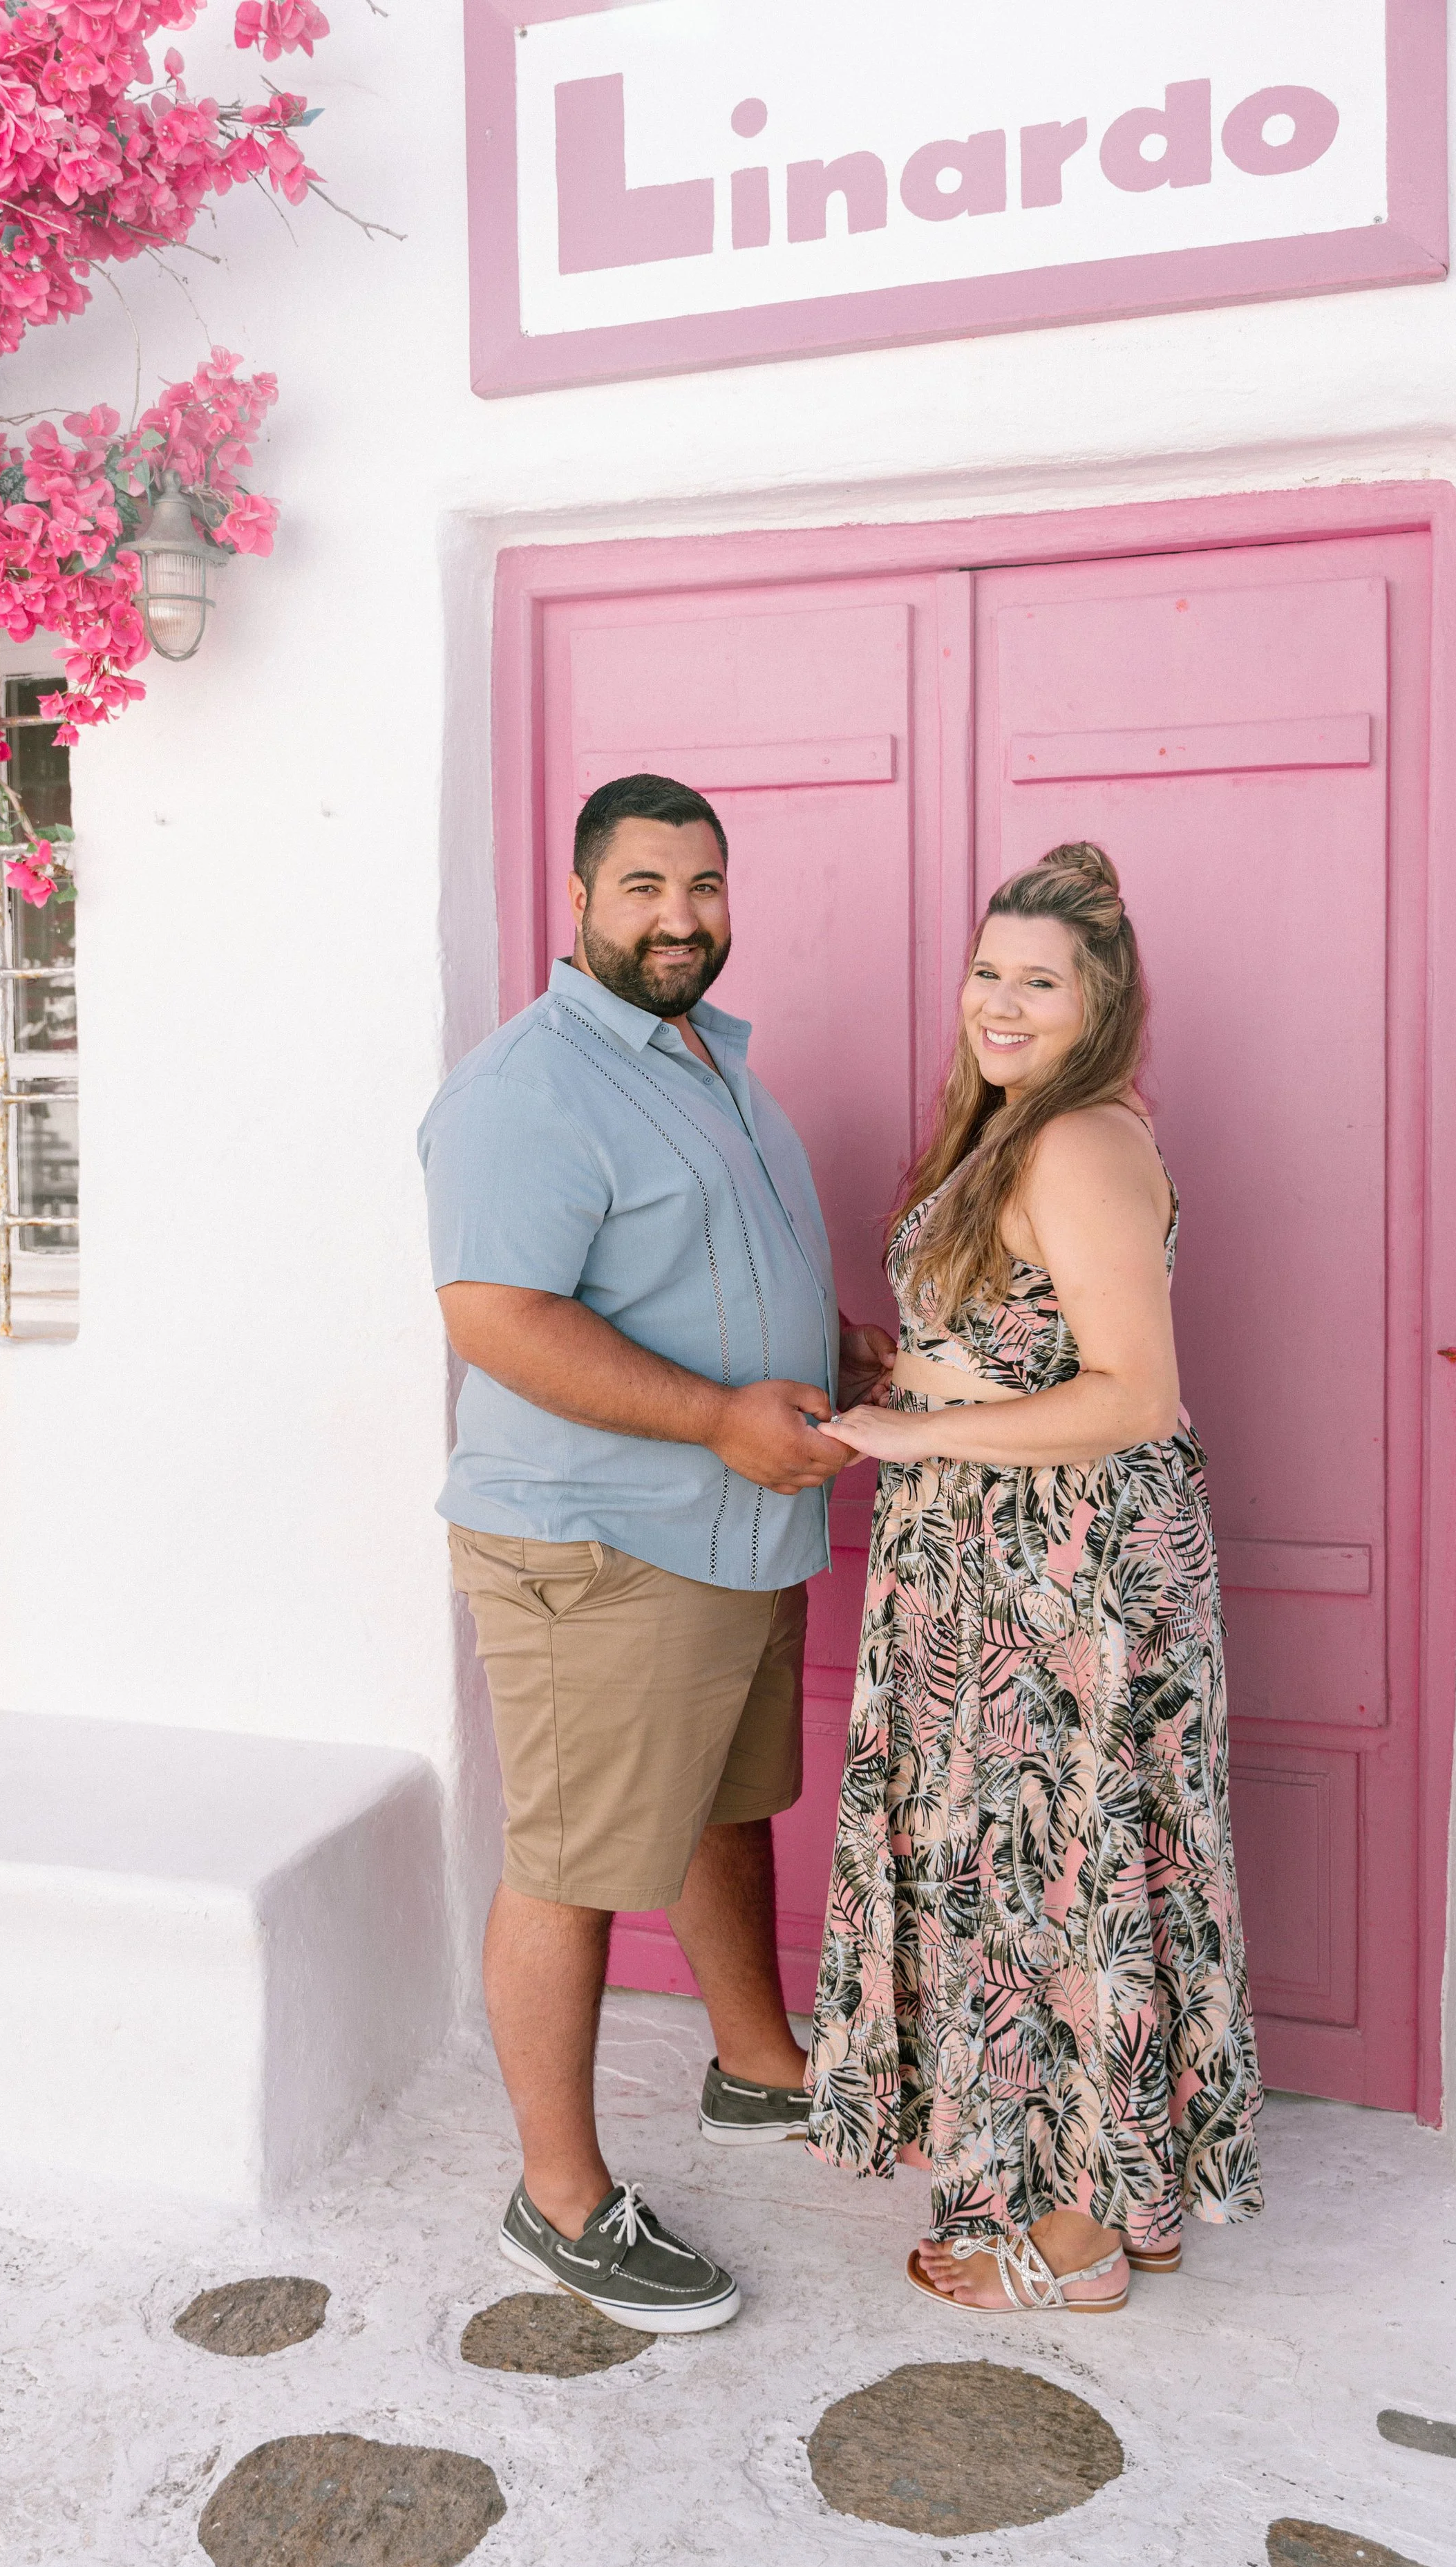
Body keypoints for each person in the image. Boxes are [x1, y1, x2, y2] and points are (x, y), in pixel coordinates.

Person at [418, 773, 896, 2334]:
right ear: (577, 901)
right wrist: (712, 1417)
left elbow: (693, 1267)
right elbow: (497, 1318)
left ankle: (757, 2069)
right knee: (572, 1864)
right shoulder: (529, 1086)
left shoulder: (710, 1060)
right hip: (600, 1546)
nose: (680, 917)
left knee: (720, 1804)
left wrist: (830, 1346)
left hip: (735, 1521)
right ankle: (555, 2202)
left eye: (701, 884)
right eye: (643, 888)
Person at [807, 843, 1263, 2315]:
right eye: (987, 971)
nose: (999, 1003)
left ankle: (1068, 2247)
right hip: (1003, 1567)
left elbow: (1133, 1394)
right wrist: (909, 1367)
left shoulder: (1073, 1140)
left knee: (1054, 1885)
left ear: (1099, 1004)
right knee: (1056, 1873)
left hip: (1053, 1582)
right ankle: (1097, 2198)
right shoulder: (1019, 1132)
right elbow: (1029, 1339)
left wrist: (898, 1428)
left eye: (1037, 981)